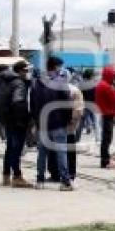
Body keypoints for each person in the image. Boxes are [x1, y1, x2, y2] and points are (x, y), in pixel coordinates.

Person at [31, 56, 74, 190]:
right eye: (60, 66)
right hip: (58, 123)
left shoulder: (37, 83)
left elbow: (32, 105)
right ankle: (65, 182)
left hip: (42, 124)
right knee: (61, 152)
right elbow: (67, 104)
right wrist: (67, 121)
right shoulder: (61, 83)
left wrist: (36, 121)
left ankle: (39, 180)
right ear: (56, 67)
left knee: (42, 153)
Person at [0, 61, 32, 188]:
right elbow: (18, 102)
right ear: (21, 71)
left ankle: (6, 175)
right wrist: (22, 119)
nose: (27, 74)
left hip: (7, 120)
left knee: (10, 148)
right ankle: (17, 176)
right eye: (26, 71)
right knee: (16, 149)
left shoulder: (6, 82)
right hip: (17, 121)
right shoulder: (19, 83)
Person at [95, 66, 115, 169]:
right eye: (113, 76)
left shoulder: (101, 84)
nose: (114, 79)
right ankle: (105, 161)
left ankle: (106, 158)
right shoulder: (106, 86)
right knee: (107, 139)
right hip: (108, 114)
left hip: (105, 112)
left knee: (106, 138)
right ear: (109, 75)